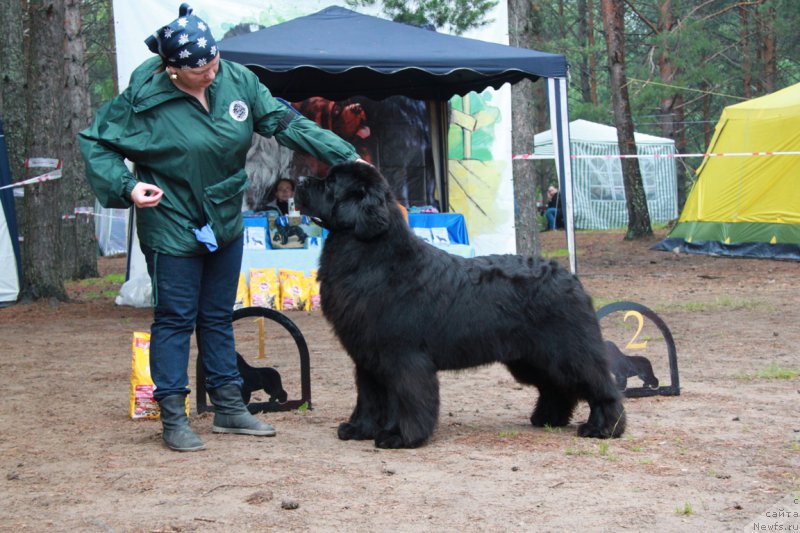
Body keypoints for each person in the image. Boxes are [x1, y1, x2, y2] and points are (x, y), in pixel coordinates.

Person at [79, 4, 360, 452]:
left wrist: (346, 156)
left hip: (224, 218)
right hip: (171, 218)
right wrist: (127, 186)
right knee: (175, 318)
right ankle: (174, 416)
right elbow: (96, 141)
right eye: (200, 69)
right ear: (172, 68)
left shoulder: (237, 79)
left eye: (214, 62)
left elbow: (284, 122)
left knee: (217, 315)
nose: (212, 73)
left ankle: (229, 405)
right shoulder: (144, 97)